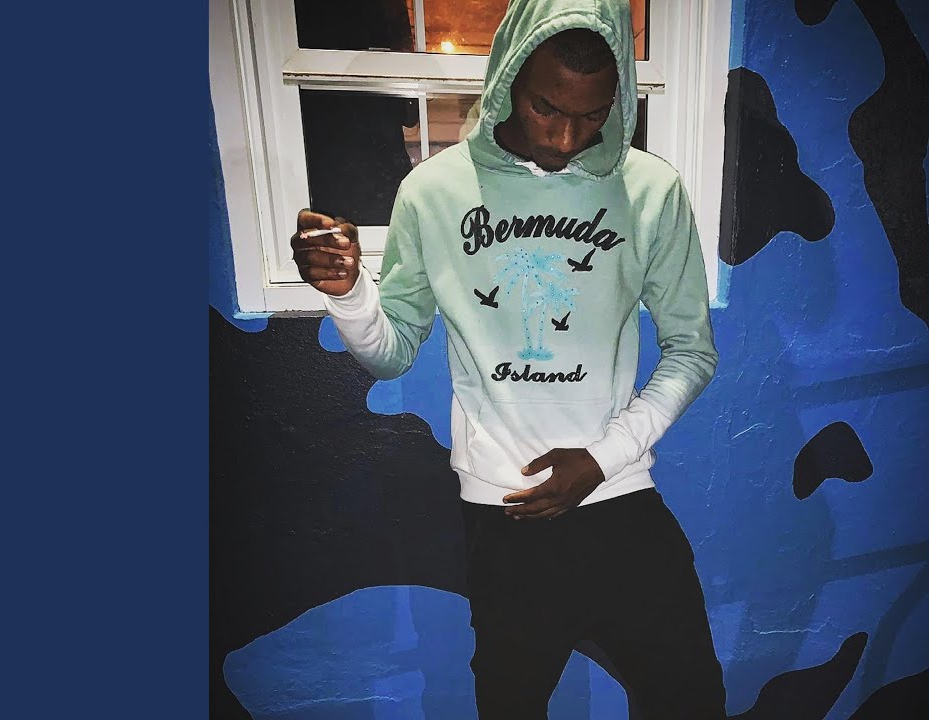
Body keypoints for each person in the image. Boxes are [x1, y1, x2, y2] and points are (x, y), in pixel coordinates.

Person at [291, 0, 725, 716]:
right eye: (546, 108)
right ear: (508, 80)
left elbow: (691, 352)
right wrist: (349, 294)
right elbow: (392, 355)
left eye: (592, 115)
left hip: (621, 500)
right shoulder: (433, 192)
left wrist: (603, 458)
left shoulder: (652, 190)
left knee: (692, 700)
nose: (566, 137)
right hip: (507, 516)